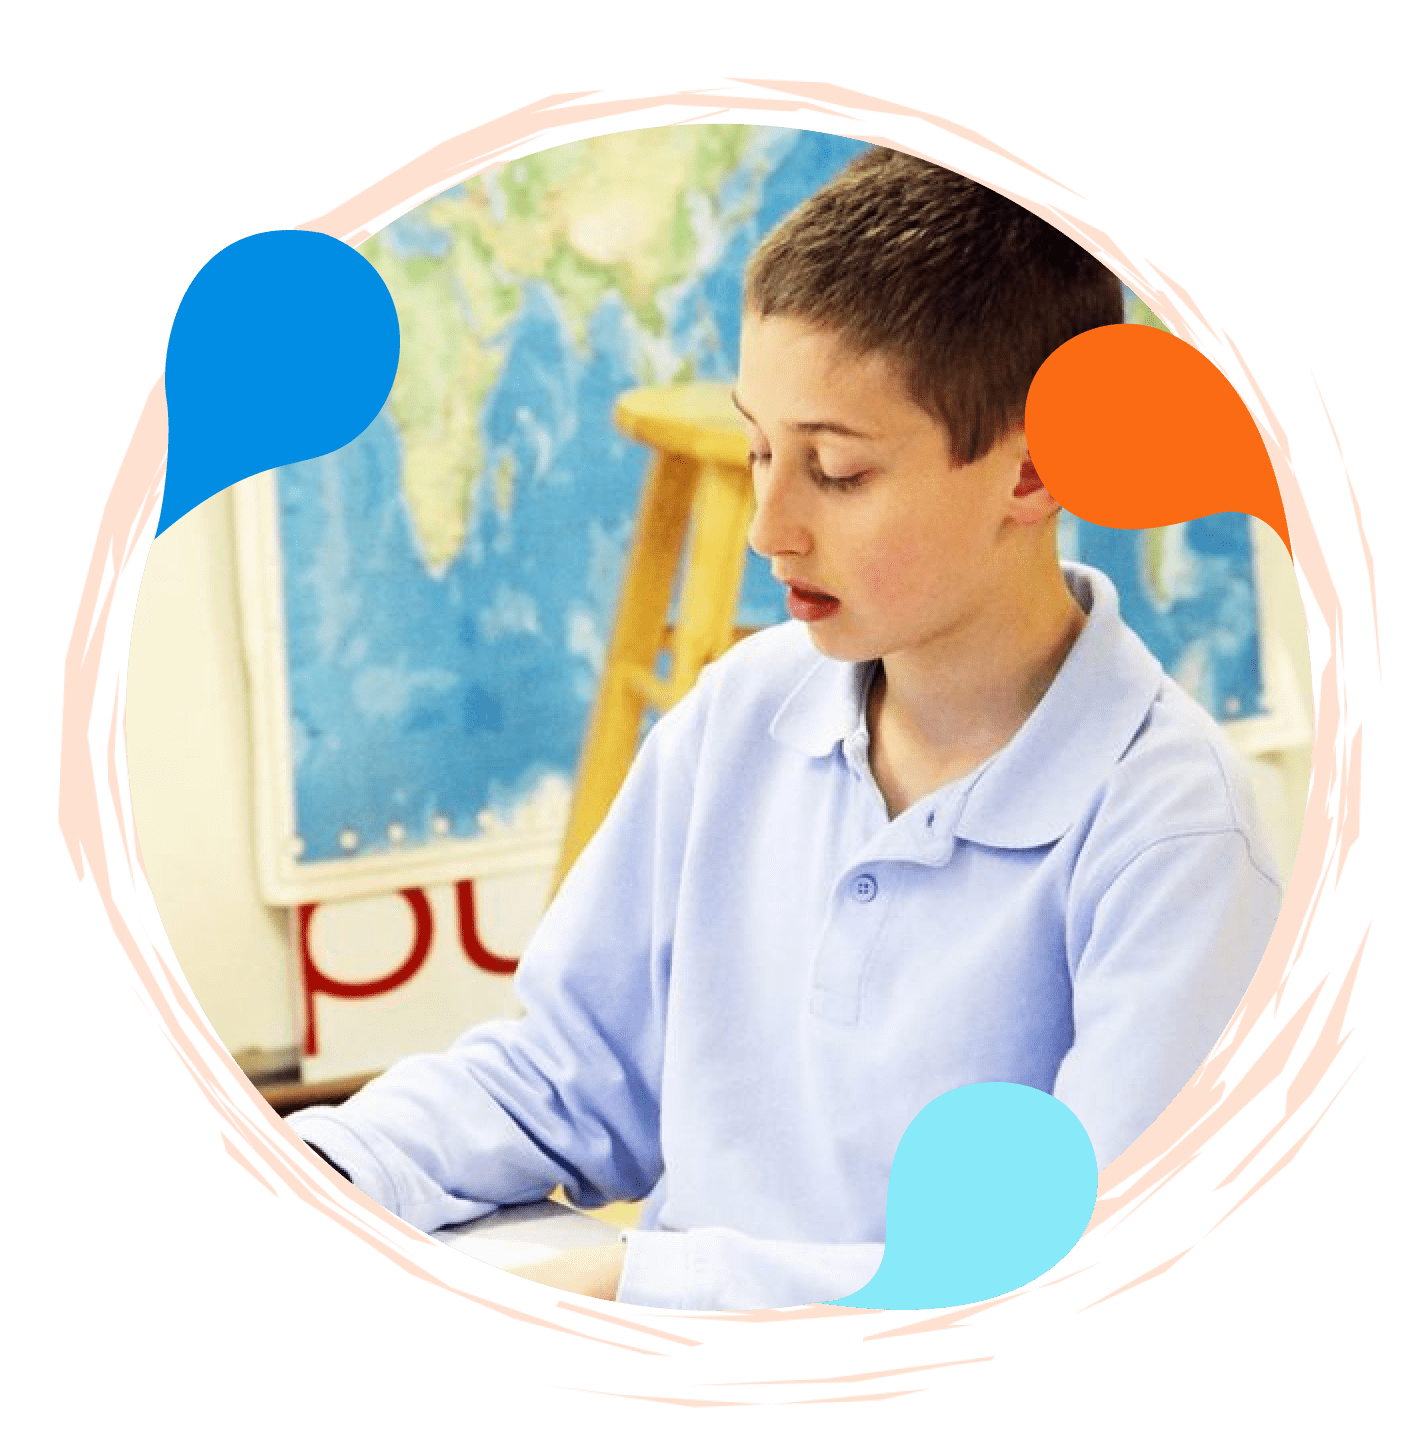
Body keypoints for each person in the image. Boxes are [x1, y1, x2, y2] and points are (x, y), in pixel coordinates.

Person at [288, 148, 1283, 1311]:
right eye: (761, 446)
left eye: (838, 471)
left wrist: (644, 1275)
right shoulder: (740, 713)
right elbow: (567, 1077)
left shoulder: (1178, 831)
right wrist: (328, 1164)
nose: (770, 526)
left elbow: (1092, 1282)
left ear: (1035, 469)